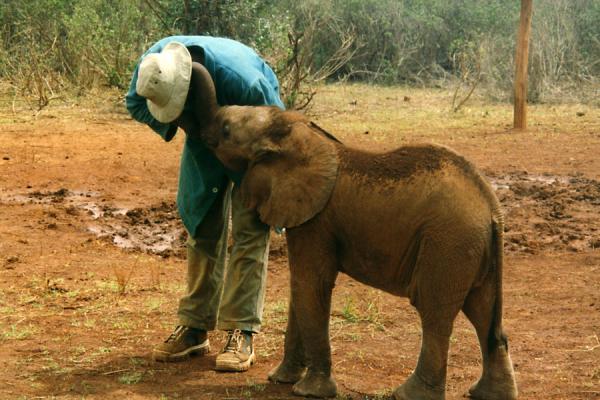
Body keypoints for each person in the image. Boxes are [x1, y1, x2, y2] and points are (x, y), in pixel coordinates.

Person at [125, 36, 284, 372]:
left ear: (187, 91)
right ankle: (195, 326)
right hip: (202, 129)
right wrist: (188, 124)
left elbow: (276, 128)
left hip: (252, 135)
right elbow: (135, 103)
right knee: (200, 222)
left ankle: (242, 331)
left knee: (250, 228)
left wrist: (263, 180)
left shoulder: (246, 83)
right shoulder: (152, 67)